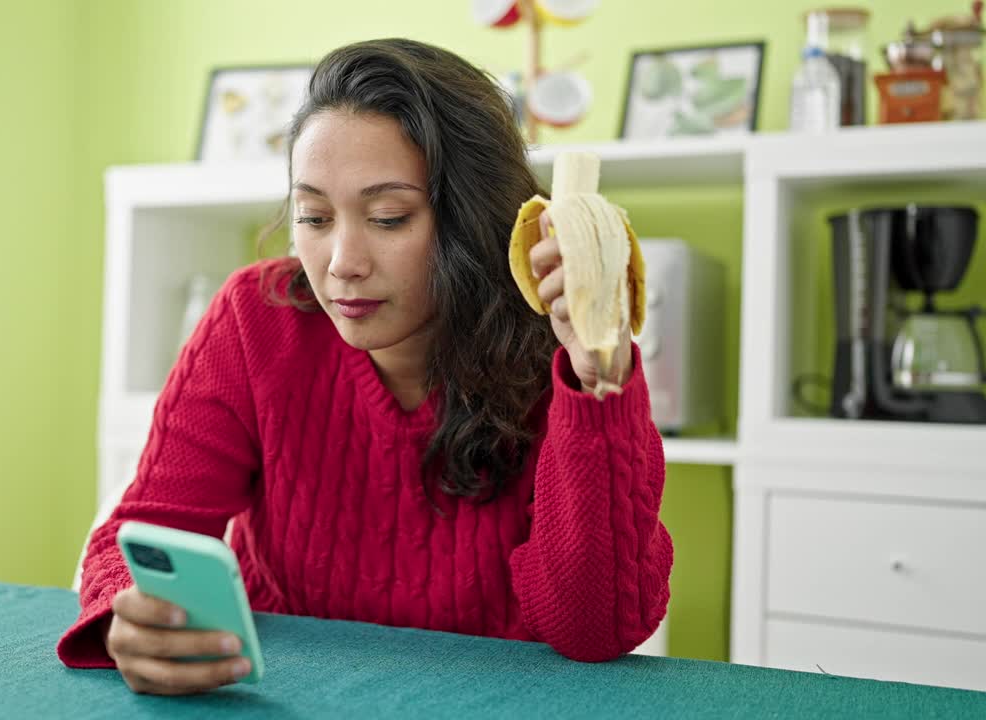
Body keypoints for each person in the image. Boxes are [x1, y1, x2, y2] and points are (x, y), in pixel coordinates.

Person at [58, 37, 671, 696]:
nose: (341, 261)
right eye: (314, 217)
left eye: (387, 217)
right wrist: (131, 615)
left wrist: (596, 374)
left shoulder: (561, 354)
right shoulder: (255, 320)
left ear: (472, 217)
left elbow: (595, 628)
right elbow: (142, 534)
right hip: (284, 700)